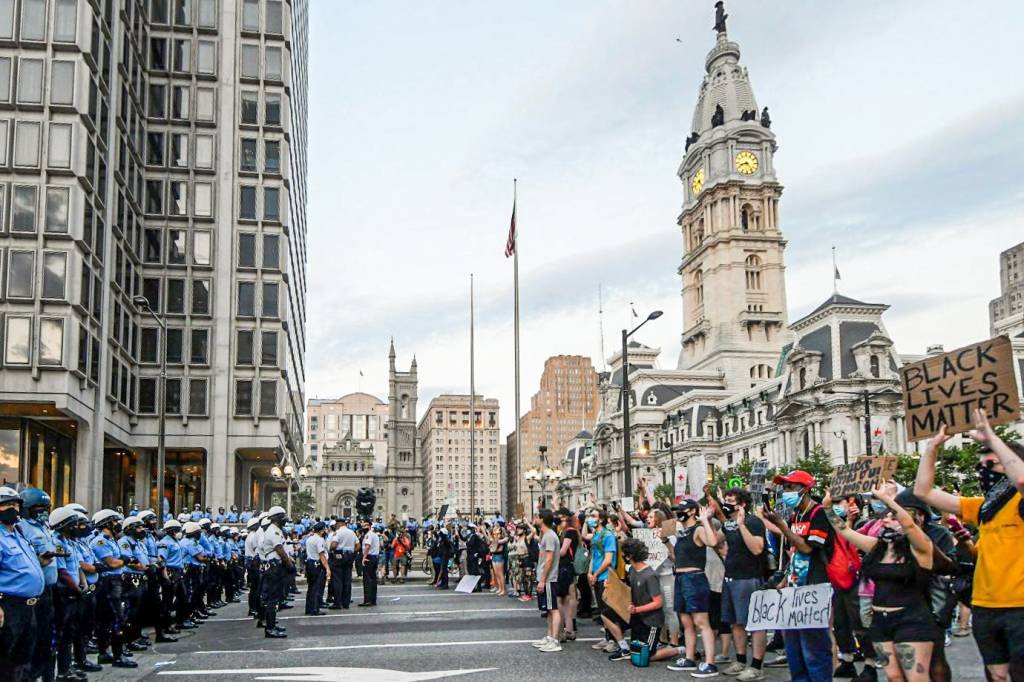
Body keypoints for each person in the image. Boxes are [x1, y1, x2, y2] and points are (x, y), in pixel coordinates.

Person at [914, 412, 1024, 682]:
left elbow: (1021, 480)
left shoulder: (1019, 503)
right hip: (986, 606)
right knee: (996, 676)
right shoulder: (984, 506)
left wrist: (992, 437)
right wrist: (932, 447)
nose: (985, 470)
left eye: (993, 464)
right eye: (982, 464)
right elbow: (923, 492)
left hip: (1020, 606)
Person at [824, 484, 936, 682]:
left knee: (916, 678)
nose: (886, 520)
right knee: (893, 677)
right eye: (886, 516)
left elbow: (908, 526)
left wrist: (887, 499)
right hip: (881, 622)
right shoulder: (879, 547)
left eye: (893, 517)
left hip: (911, 620)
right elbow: (845, 532)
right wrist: (827, 508)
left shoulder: (921, 547)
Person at [762, 470, 834, 682]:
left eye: (791, 487)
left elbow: (807, 548)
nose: (786, 492)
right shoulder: (795, 516)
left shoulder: (819, 514)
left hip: (815, 589)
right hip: (794, 589)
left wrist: (781, 526)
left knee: (814, 649)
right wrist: (785, 580)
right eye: (784, 488)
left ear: (805, 489)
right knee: (794, 649)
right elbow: (794, 555)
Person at [665, 499, 720, 677]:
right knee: (686, 622)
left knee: (701, 622)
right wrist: (665, 541)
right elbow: (675, 558)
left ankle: (710, 662)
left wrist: (704, 520)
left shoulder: (698, 529)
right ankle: (689, 658)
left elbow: (712, 542)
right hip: (681, 577)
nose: (677, 513)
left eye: (681, 510)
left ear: (691, 511)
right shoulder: (683, 533)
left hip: (694, 578)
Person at [717, 488, 768, 681]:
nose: (727, 503)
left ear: (742, 504)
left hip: (748, 577)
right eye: (726, 499)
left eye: (731, 500)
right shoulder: (728, 524)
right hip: (730, 577)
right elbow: (714, 540)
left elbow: (757, 548)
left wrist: (741, 525)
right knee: (735, 622)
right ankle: (740, 660)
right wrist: (705, 520)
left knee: (754, 622)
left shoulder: (753, 522)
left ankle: (756, 667)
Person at [601, 537, 678, 664]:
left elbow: (658, 603)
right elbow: (628, 589)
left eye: (624, 553)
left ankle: (678, 650)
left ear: (629, 555)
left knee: (645, 656)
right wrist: (610, 585)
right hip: (636, 616)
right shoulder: (632, 570)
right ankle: (624, 648)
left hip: (651, 621)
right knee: (606, 615)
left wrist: (637, 609)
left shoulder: (649, 575)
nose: (622, 555)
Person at [0, 486, 46, 681]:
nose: (12, 509)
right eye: (5, 505)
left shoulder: (19, 533)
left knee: (25, 658)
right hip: (9, 607)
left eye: (15, 504)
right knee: (6, 659)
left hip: (30, 607)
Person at [17, 487, 57, 681]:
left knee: (46, 638)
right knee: (31, 640)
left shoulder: (45, 527)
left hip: (48, 590)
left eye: (46, 507)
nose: (44, 511)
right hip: (30, 596)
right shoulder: (21, 527)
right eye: (39, 507)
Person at [90, 509, 137, 669]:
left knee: (110, 619)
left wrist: (123, 561)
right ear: (107, 523)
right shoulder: (101, 542)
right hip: (108, 583)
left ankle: (106, 653)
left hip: (115, 581)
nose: (118, 525)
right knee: (116, 618)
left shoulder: (111, 540)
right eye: (115, 522)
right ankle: (117, 656)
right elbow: (112, 563)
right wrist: (124, 561)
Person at [531, 509, 562, 653]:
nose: (534, 518)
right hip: (546, 577)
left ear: (542, 519)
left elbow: (549, 559)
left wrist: (542, 580)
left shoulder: (549, 536)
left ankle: (555, 640)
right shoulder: (546, 535)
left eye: (536, 516)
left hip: (549, 578)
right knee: (549, 609)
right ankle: (550, 637)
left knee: (553, 609)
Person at [258, 506, 293, 638]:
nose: (284, 519)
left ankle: (272, 624)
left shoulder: (276, 530)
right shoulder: (273, 531)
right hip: (274, 567)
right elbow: (279, 548)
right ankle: (270, 628)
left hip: (276, 567)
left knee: (275, 597)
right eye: (282, 516)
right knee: (272, 599)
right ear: (276, 518)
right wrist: (288, 564)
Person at [329, 518, 357, 608]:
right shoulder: (351, 532)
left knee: (337, 580)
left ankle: (337, 602)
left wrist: (332, 550)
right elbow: (358, 545)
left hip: (339, 555)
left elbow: (333, 545)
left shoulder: (338, 532)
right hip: (349, 556)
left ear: (339, 524)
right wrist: (352, 552)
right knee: (347, 580)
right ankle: (346, 602)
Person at [304, 522, 329, 615]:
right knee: (317, 587)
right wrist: (327, 568)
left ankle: (309, 608)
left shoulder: (309, 539)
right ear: (321, 531)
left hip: (310, 563)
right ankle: (315, 608)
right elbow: (321, 555)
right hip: (316, 564)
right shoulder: (319, 540)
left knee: (311, 587)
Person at [359, 519, 380, 607]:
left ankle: (368, 600)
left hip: (369, 557)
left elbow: (367, 546)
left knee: (367, 579)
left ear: (370, 526)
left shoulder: (369, 535)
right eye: (363, 525)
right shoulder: (374, 535)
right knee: (373, 579)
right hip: (374, 557)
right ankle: (372, 599)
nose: (364, 527)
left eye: (366, 525)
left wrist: (364, 558)